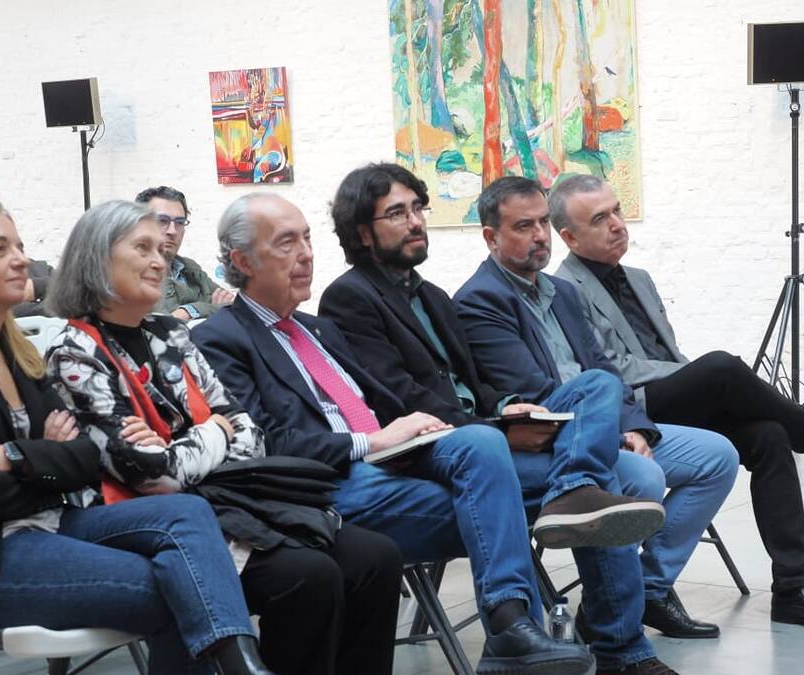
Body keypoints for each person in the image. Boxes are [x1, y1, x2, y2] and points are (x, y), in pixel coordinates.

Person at [320, 165, 705, 673]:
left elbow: (475, 382)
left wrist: (505, 407)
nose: (415, 222)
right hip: (430, 446)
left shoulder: (431, 296)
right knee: (610, 478)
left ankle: (577, 492)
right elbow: (397, 397)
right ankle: (621, 648)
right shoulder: (350, 297)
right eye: (397, 213)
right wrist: (487, 424)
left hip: (480, 431)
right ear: (363, 233)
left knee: (599, 384)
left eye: (417, 209)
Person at [193, 193, 599, 675]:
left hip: (394, 459)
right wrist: (373, 441)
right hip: (329, 481)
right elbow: (262, 443)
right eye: (286, 243)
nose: (306, 254)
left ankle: (527, 613)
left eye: (307, 238)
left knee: (514, 447)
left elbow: (384, 399)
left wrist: (434, 424)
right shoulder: (219, 338)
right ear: (242, 261)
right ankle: (513, 623)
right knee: (506, 501)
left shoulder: (318, 330)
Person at [0, 200, 272, 674]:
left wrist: (13, 456)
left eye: (19, 247)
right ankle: (243, 667)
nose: (20, 260)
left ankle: (241, 664)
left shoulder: (18, 354)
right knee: (181, 584)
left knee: (188, 513)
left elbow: (85, 458)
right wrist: (43, 457)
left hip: (54, 525)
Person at [45, 200, 401, 675]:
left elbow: (250, 434)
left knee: (375, 557)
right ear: (97, 260)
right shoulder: (74, 353)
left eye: (161, 250)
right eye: (142, 248)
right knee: (307, 577)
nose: (160, 260)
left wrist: (185, 442)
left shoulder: (170, 335)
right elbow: (151, 475)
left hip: (225, 503)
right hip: (141, 522)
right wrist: (214, 430)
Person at [550, 174, 804, 633]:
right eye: (600, 219)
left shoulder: (640, 279)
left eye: (617, 210)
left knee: (770, 437)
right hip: (629, 411)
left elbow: (663, 355)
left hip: (669, 400)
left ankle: (794, 588)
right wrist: (694, 375)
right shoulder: (565, 290)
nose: (617, 224)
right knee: (721, 368)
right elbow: (615, 371)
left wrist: (691, 377)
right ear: (570, 237)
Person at [449, 176, 738, 646]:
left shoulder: (562, 293)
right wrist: (609, 426)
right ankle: (616, 620)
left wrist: (635, 426)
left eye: (543, 222)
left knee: (718, 456)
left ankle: (648, 589)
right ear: (491, 237)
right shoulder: (480, 301)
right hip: (559, 437)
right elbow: (534, 390)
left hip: (606, 425)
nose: (540, 235)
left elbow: (604, 367)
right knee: (641, 476)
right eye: (523, 226)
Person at [136, 186, 235, 321]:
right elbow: (165, 324)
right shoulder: (134, 273)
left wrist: (190, 310)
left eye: (180, 222)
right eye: (162, 221)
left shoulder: (189, 268)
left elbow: (231, 305)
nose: (172, 231)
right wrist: (211, 308)